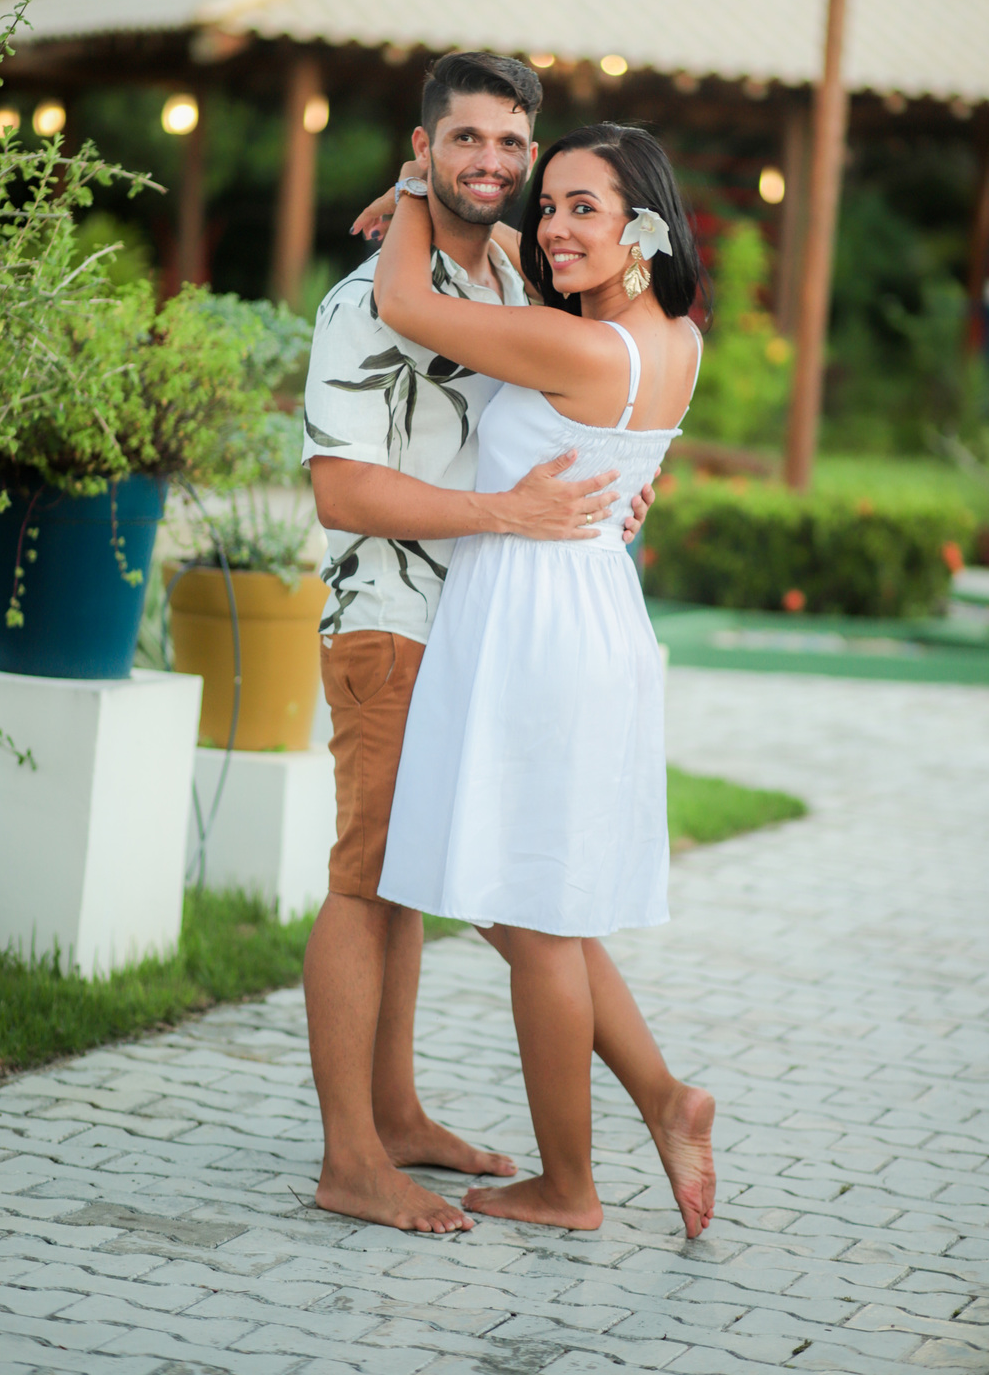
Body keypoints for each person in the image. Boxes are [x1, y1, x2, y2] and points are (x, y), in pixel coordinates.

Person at [300, 53, 655, 1235]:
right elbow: (343, 491)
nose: (491, 162)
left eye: (510, 143)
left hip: (485, 634)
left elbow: (570, 413)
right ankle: (351, 1159)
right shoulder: (365, 300)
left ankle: (396, 1114)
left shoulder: (510, 279)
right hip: (394, 620)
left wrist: (616, 488)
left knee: (414, 882)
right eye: (464, 140)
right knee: (366, 881)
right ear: (423, 147)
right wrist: (504, 515)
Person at [373, 121, 717, 1238]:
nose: (554, 228)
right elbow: (610, 436)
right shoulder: (674, 340)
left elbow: (405, 305)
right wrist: (499, 222)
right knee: (527, 904)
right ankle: (663, 1097)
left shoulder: (581, 349)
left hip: (535, 626)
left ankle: (570, 1187)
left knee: (528, 909)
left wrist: (417, 187)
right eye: (549, 202)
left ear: (642, 231)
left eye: (584, 209)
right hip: (586, 607)